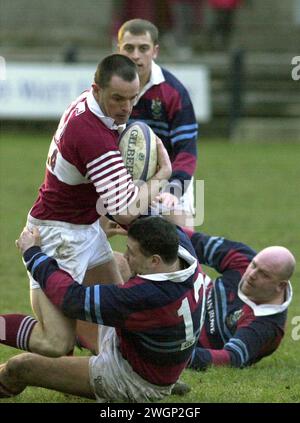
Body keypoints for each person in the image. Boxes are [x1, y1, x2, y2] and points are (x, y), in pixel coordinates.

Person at [0, 54, 172, 359]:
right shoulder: (93, 136)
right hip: (56, 238)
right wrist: (161, 176)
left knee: (121, 313)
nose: (126, 108)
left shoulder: (91, 106)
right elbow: (127, 212)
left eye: (132, 99)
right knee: (55, 343)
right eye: (118, 99)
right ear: (97, 89)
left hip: (84, 227)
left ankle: (143, 374)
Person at [0, 217, 205, 402]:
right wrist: (117, 217)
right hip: (145, 353)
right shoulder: (183, 249)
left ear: (154, 260)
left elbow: (73, 299)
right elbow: (140, 215)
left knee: (20, 366)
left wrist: (33, 255)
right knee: (118, 264)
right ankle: (84, 358)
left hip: (131, 379)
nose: (126, 255)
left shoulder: (145, 297)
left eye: (132, 253)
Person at [117, 18, 198, 227]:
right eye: (129, 48)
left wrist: (174, 189)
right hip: (116, 182)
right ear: (119, 50)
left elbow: (187, 152)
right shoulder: (107, 91)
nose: (135, 55)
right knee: (91, 246)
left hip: (167, 183)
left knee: (182, 248)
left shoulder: (174, 92)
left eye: (143, 48)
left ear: (155, 51)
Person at [185, 229, 295, 370]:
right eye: (254, 265)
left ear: (281, 286)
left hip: (183, 337)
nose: (252, 274)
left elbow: (231, 358)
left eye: (264, 275)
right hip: (186, 292)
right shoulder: (244, 259)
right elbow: (195, 242)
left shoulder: (266, 325)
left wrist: (174, 356)